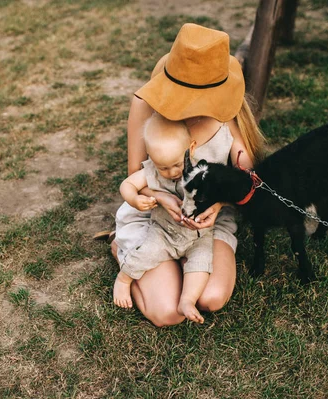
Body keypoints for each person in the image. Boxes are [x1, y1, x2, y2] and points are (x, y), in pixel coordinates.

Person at [111, 23, 266, 327]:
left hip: (206, 224)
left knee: (212, 297)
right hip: (157, 218)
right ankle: (123, 247)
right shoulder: (145, 104)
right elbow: (136, 176)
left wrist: (219, 205)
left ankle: (180, 263)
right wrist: (162, 198)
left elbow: (248, 179)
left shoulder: (226, 112)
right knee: (167, 313)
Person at [113, 113, 214, 324]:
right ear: (151, 157)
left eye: (177, 164)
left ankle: (187, 300)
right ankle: (124, 279)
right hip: (164, 232)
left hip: (198, 234)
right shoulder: (153, 171)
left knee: (202, 261)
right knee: (147, 253)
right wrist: (135, 198)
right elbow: (127, 184)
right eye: (164, 167)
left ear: (191, 147)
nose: (172, 172)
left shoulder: (203, 168)